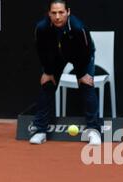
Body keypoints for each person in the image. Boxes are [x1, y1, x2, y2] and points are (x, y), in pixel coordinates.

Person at [30, 0, 102, 145]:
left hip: (81, 56)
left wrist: (82, 74)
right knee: (48, 85)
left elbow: (86, 53)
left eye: (61, 12)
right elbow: (41, 51)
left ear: (68, 12)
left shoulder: (78, 28)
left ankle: (94, 131)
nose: (57, 17)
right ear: (49, 14)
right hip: (56, 56)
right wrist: (48, 71)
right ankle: (40, 131)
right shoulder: (42, 28)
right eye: (54, 13)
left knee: (87, 86)